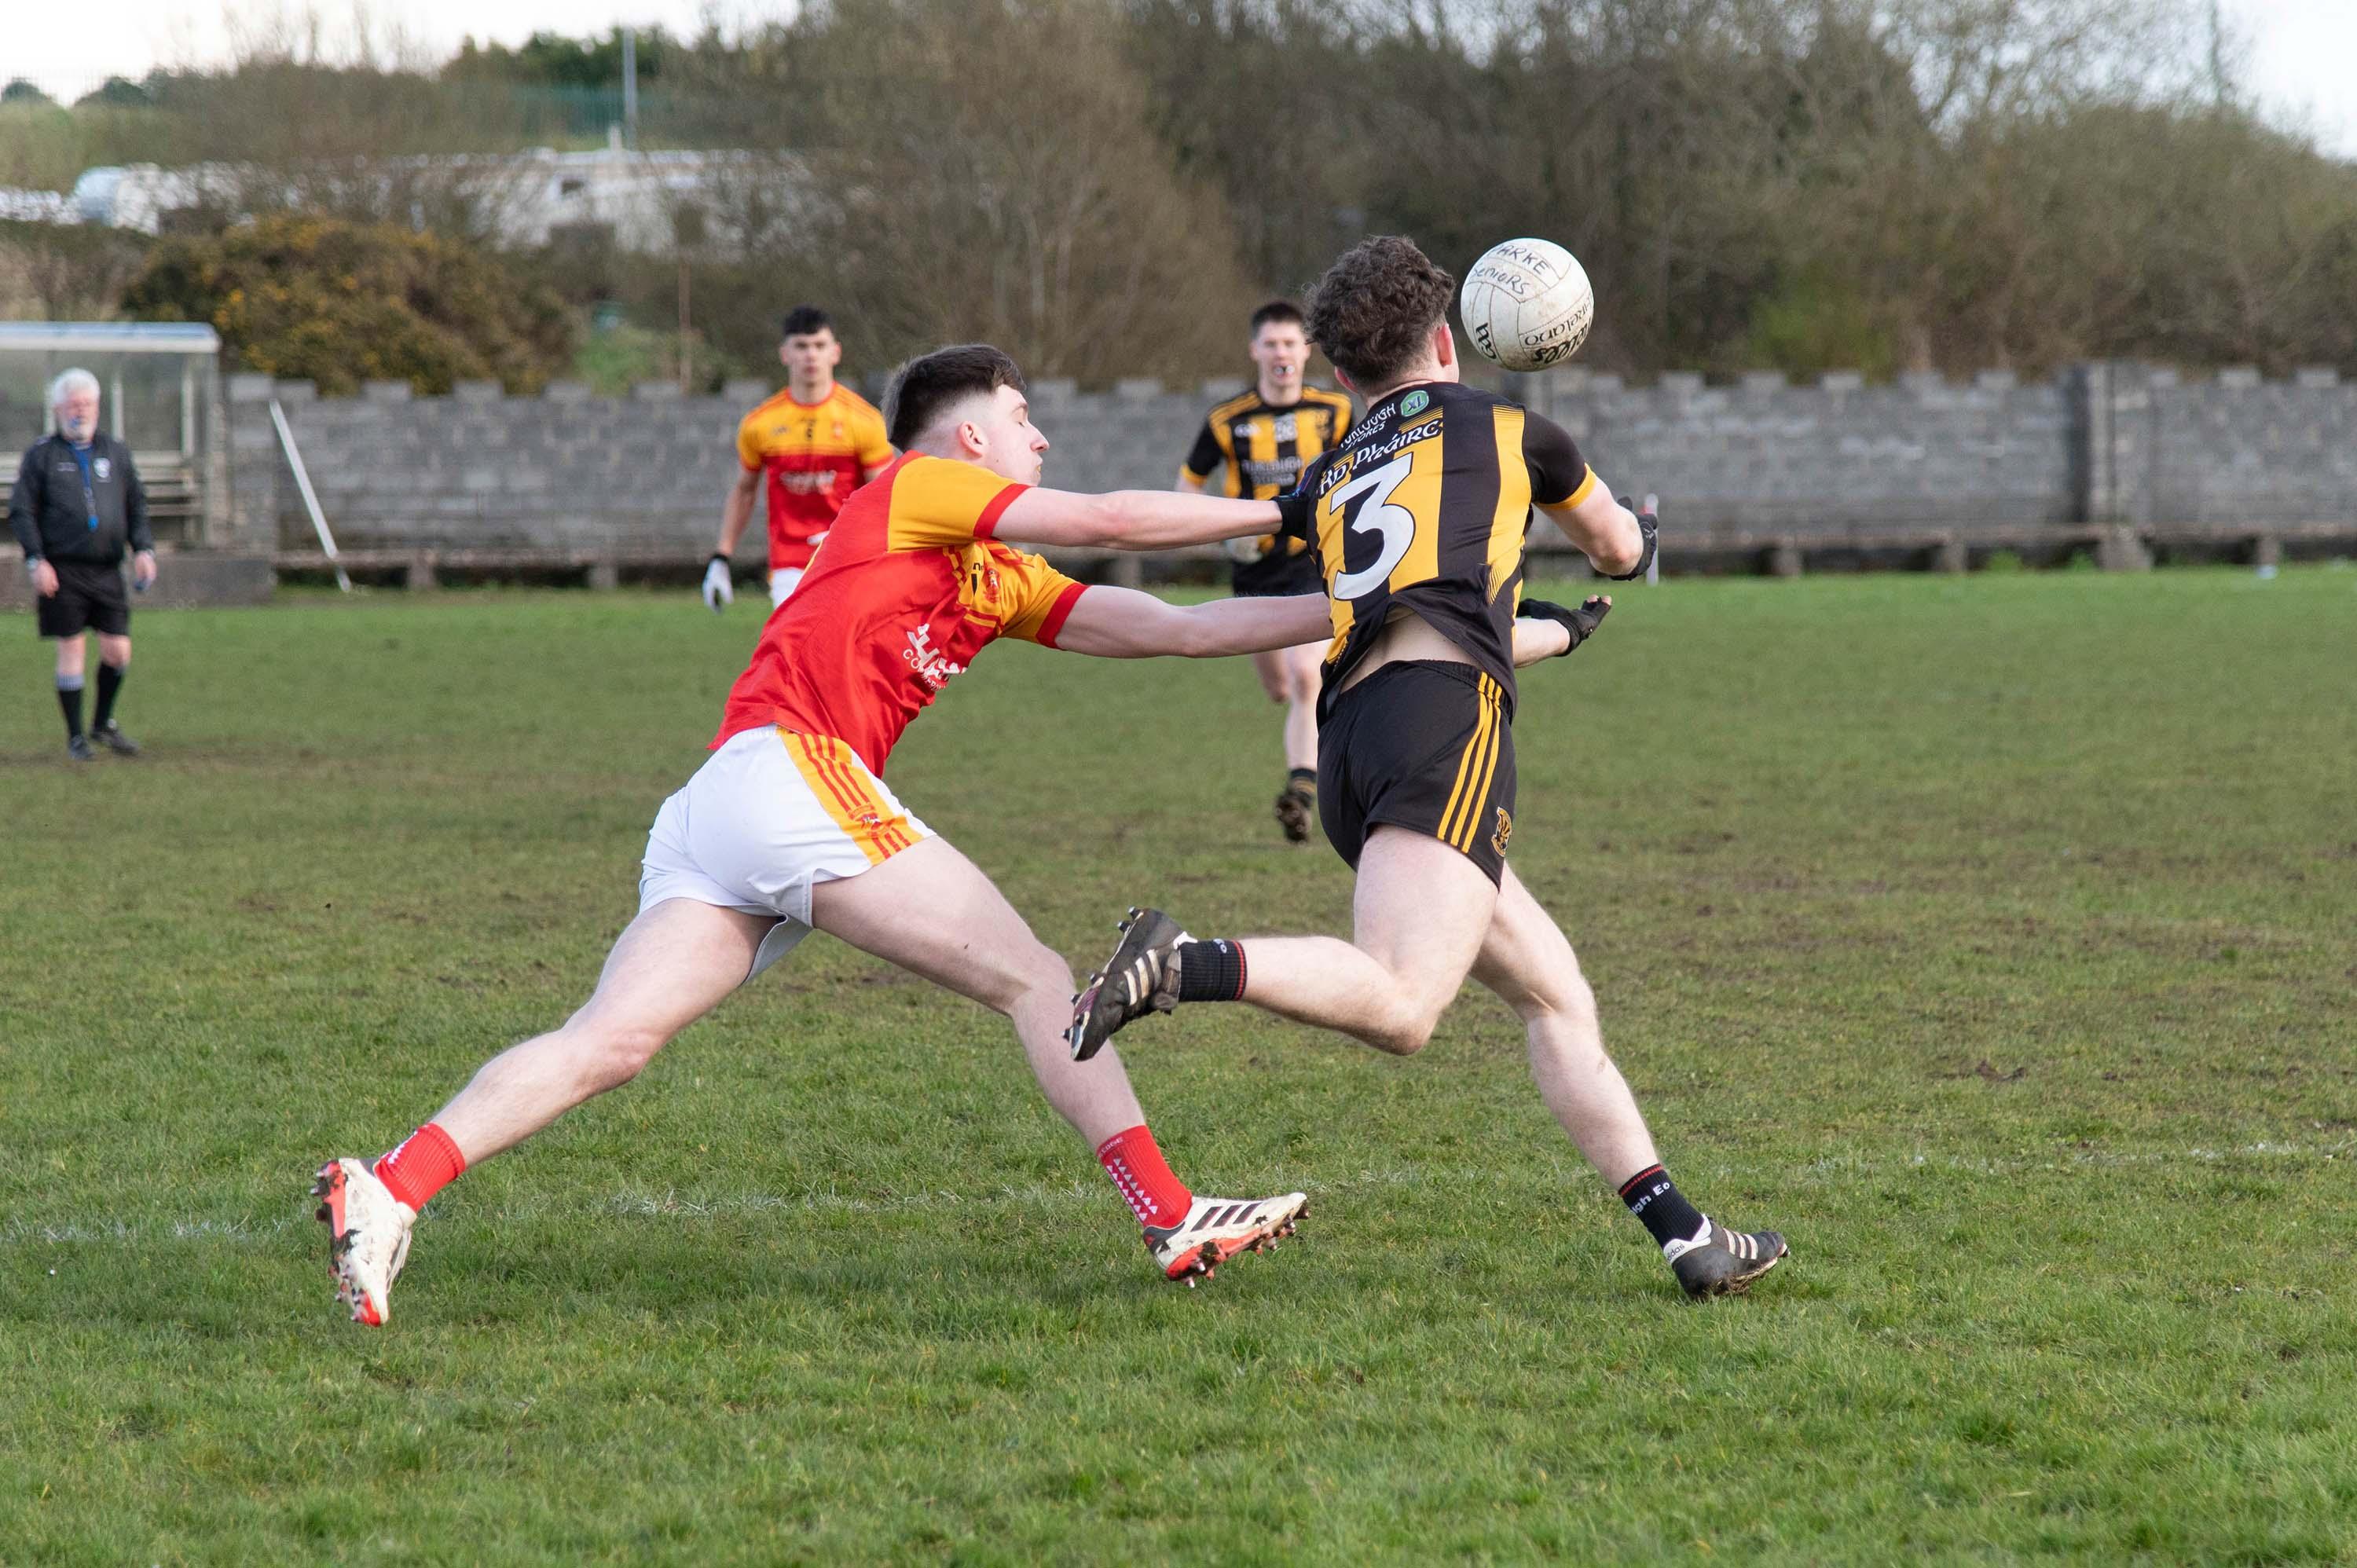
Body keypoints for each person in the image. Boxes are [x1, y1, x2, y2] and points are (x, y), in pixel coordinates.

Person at [313, 343, 1342, 1327]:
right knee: (1035, 975)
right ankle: (1169, 1214)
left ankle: (392, 1186)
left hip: (725, 804)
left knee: (611, 1041)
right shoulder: (914, 483)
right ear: (968, 438)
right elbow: (1113, 516)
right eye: (1024, 419)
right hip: (790, 777)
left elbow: (1183, 628)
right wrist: (1290, 506)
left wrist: (1353, 608)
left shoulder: (998, 577)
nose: (1042, 439)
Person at [1069, 236, 1788, 1300]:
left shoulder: (1338, 467)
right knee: (1406, 1007)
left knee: (1554, 992)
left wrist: (1545, 633)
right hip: (1438, 726)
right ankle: (1182, 964)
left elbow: (1377, 604)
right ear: (1447, 342)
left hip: (1354, 743)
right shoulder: (1513, 431)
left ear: (1341, 377)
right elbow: (1615, 553)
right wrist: (1639, 540)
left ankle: (1687, 1237)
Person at [1176, 302, 1355, 842]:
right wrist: (1217, 533)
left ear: (1308, 350)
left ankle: (1301, 789)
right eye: (1272, 344)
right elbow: (1188, 486)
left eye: (1292, 343)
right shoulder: (1227, 421)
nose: (1282, 353)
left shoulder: (1337, 412)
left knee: (1307, 677)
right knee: (1279, 688)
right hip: (1254, 572)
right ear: (1255, 350)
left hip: (1313, 563)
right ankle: (1301, 761)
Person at [705, 306, 894, 613]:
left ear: (835, 353)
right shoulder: (760, 423)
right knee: (797, 648)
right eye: (802, 346)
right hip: (789, 564)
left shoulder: (865, 421)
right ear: (785, 354)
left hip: (850, 556)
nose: (811, 355)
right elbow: (744, 491)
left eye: (819, 346)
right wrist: (721, 557)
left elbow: (886, 498)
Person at [9, 368, 155, 760]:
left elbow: (137, 506)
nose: (81, 411)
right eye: (73, 404)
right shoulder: (43, 455)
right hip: (63, 571)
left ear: (97, 407)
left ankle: (103, 723)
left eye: (87, 403)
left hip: (107, 569)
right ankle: (76, 738)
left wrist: (143, 550)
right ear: (58, 408)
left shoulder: (116, 452)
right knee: (71, 650)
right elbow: (21, 511)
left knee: (118, 652)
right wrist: (36, 561)